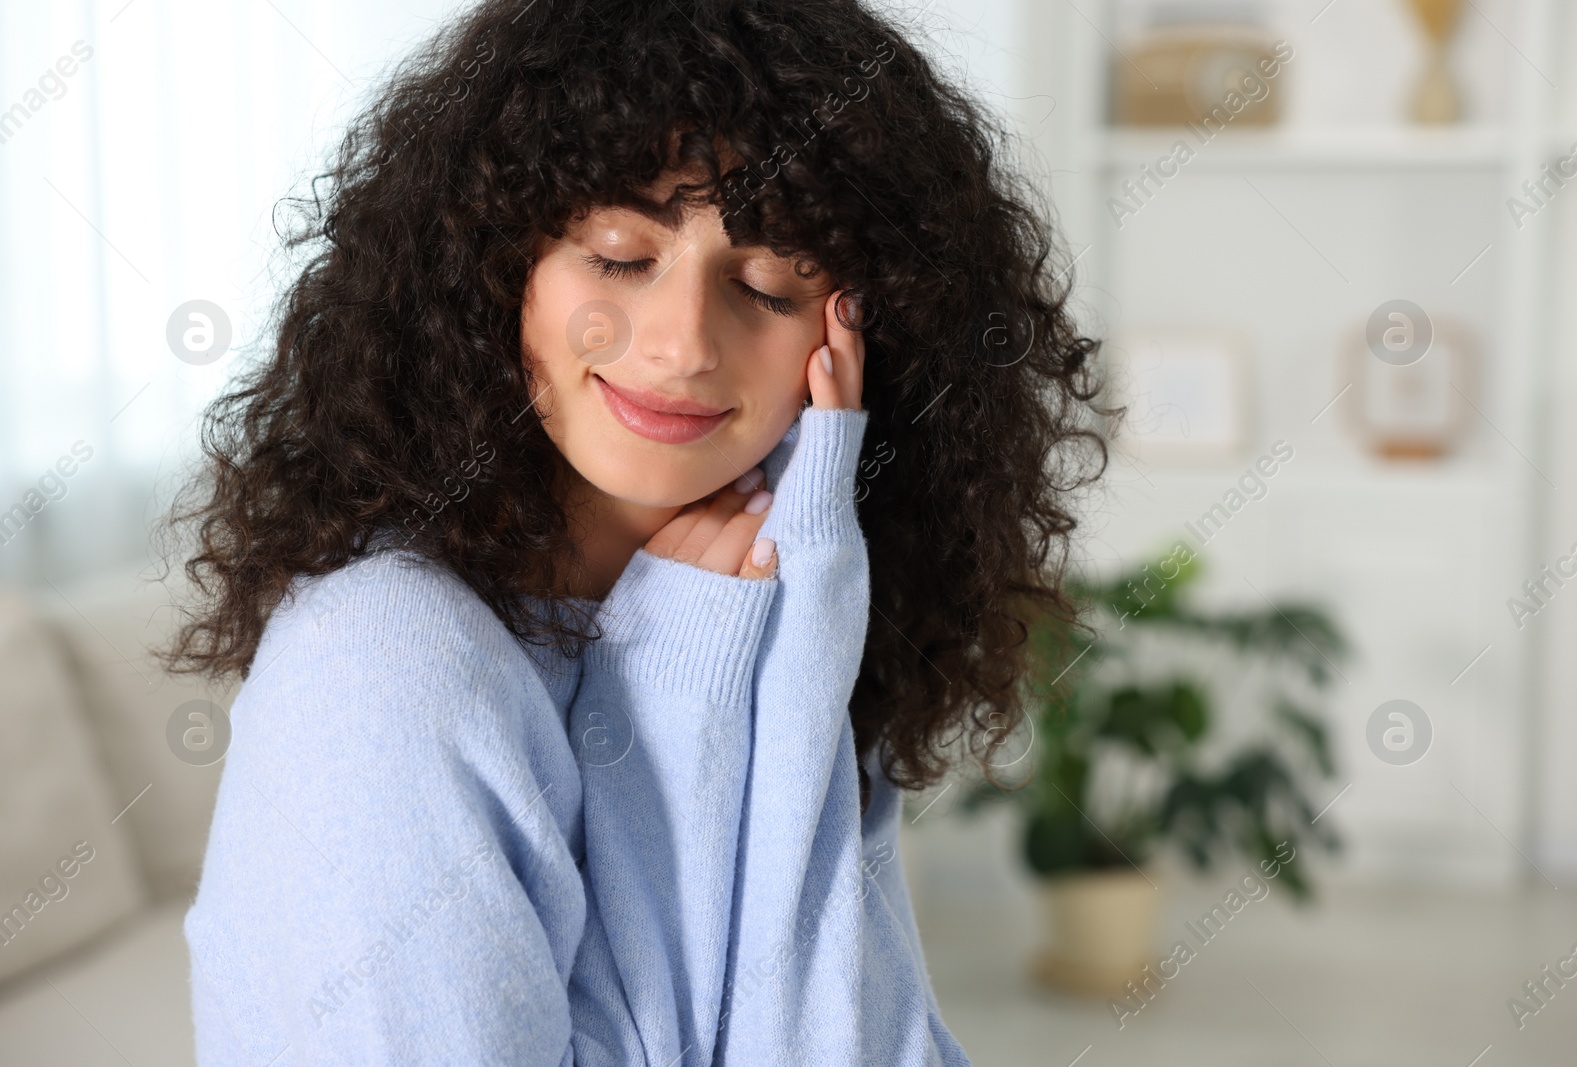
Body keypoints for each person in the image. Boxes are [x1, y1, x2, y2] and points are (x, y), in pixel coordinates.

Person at [161, 0, 1106, 1062]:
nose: (682, 342)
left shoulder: (772, 616)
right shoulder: (382, 657)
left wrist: (794, 617)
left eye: (765, 283)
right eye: (617, 255)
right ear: (488, 267)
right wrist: (669, 696)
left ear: (861, 338)